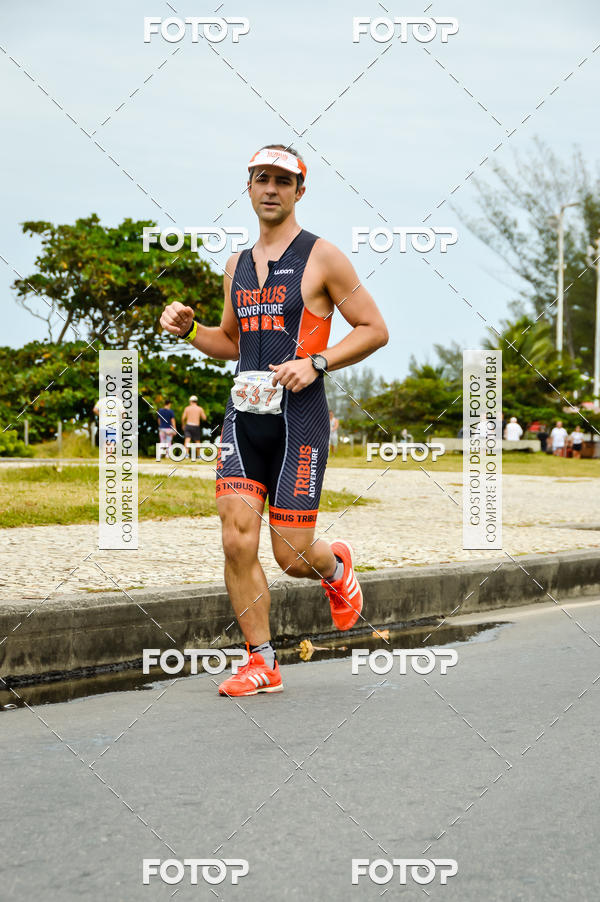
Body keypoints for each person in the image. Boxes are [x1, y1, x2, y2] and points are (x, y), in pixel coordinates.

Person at [160, 143, 388, 697]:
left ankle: (335, 568)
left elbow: (373, 328)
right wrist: (190, 329)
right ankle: (260, 660)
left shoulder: (323, 257)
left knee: (289, 554)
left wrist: (316, 362)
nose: (270, 188)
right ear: (249, 187)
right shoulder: (235, 266)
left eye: (282, 181)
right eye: (262, 178)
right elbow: (229, 342)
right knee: (236, 540)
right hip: (244, 417)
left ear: (299, 191)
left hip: (300, 421)